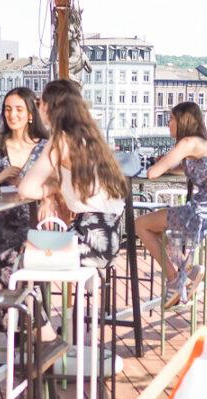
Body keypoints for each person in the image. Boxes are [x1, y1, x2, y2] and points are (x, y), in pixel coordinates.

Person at [18, 79, 126, 270]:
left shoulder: (60, 140)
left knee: (19, 257)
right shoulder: (89, 139)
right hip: (109, 239)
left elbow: (26, 189)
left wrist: (53, 188)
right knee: (34, 249)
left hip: (87, 240)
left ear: (49, 107)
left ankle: (31, 300)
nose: (38, 107)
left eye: (40, 102)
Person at [136, 102, 207, 308]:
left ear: (182, 121)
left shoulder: (188, 143)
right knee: (162, 226)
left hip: (205, 211)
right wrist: (172, 167)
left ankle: (174, 279)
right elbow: (197, 166)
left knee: (141, 224)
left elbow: (152, 173)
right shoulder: (206, 143)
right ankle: (189, 269)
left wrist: (158, 164)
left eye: (171, 119)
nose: (168, 124)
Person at [0, 87, 48, 288]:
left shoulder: (44, 147)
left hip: (33, 222)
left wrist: (48, 199)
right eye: (7, 109)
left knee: (27, 264)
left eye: (18, 109)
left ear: (31, 114)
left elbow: (56, 182)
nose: (12, 115)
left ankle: (30, 315)